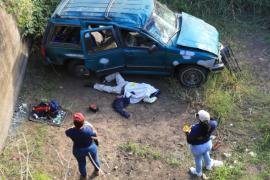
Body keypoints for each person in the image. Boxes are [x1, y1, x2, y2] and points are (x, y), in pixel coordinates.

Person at [185, 110, 223, 177]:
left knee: (198, 159)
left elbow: (189, 140)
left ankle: (198, 172)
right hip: (208, 145)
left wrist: (187, 132)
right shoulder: (213, 124)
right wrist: (207, 118)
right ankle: (209, 164)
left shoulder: (194, 129)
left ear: (200, 120)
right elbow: (213, 120)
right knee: (206, 153)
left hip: (197, 149)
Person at [65, 113, 100, 179]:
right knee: (95, 160)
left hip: (78, 150)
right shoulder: (88, 130)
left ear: (74, 123)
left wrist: (73, 127)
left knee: (81, 163)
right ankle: (97, 171)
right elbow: (95, 134)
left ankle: (84, 177)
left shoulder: (70, 131)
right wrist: (91, 127)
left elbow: (66, 132)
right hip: (91, 148)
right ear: (83, 122)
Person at [92, 72, 160, 104]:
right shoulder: (149, 87)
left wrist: (122, 97)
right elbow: (156, 93)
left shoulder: (146, 93)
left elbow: (132, 100)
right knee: (116, 74)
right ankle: (105, 79)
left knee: (108, 89)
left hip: (121, 90)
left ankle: (94, 85)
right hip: (125, 83)